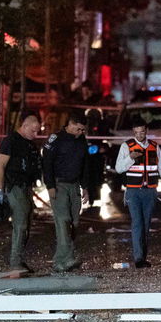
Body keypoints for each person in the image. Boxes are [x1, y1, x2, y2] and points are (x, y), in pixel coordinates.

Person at [114, 118, 161, 267]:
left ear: (146, 131)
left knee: (146, 224)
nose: (139, 135)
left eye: (141, 132)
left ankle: (143, 257)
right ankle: (139, 259)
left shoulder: (154, 146)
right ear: (133, 132)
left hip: (150, 191)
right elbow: (119, 168)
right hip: (133, 191)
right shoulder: (126, 146)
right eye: (136, 132)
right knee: (137, 223)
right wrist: (130, 158)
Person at [42, 113, 90, 273]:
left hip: (74, 185)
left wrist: (85, 187)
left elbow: (85, 164)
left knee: (74, 222)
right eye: (79, 129)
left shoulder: (81, 140)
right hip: (59, 184)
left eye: (83, 130)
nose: (81, 132)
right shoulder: (55, 139)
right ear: (70, 124)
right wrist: (50, 185)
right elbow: (46, 163)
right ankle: (66, 259)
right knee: (63, 220)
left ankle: (62, 259)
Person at [0, 112, 43, 271]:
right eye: (33, 131)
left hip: (26, 187)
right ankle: (15, 261)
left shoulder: (30, 144)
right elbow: (1, 167)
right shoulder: (11, 141)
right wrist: (0, 191)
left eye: (37, 131)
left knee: (26, 223)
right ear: (25, 125)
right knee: (21, 223)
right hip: (14, 186)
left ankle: (18, 259)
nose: (35, 135)